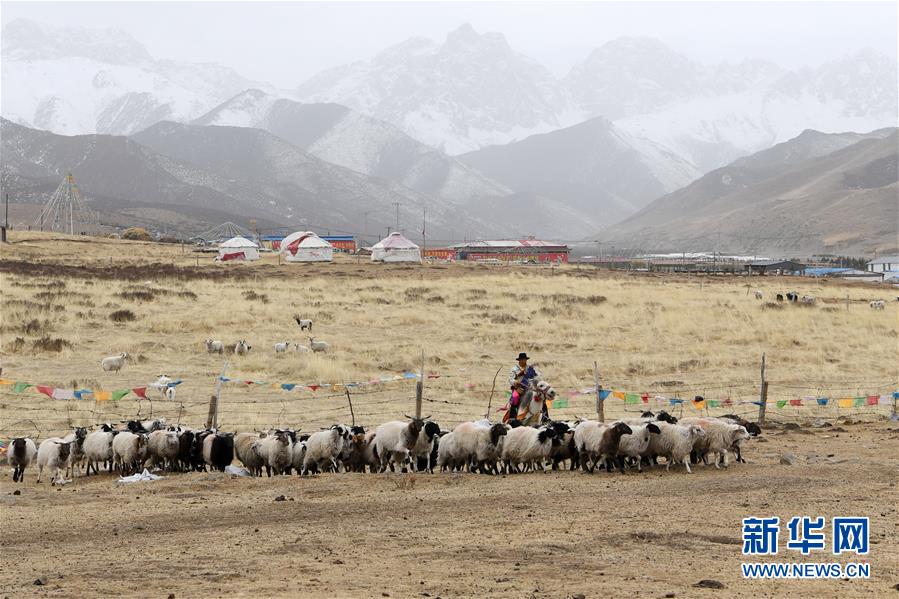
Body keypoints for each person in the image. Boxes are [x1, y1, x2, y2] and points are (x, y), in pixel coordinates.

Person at [506, 352, 541, 421]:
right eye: (522, 359)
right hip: (518, 388)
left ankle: (545, 416)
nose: (523, 361)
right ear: (519, 360)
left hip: (530, 388)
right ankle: (512, 418)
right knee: (515, 397)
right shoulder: (514, 369)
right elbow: (510, 379)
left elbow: (537, 376)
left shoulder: (530, 369)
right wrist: (516, 382)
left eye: (524, 359)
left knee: (541, 397)